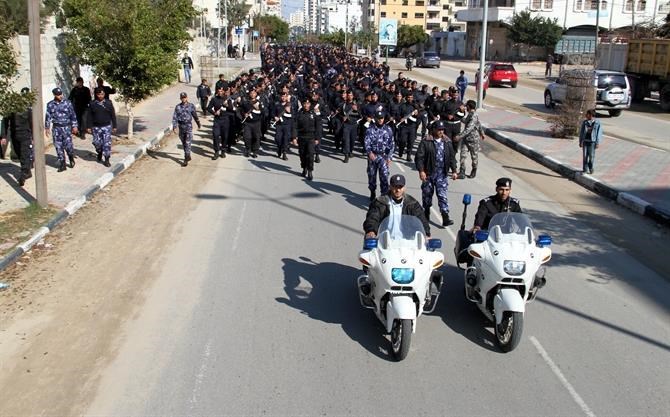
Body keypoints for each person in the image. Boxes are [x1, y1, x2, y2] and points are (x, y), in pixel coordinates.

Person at [414, 121, 458, 227]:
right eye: (439, 129)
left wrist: (454, 170)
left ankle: (445, 217)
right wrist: (421, 171)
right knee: (427, 195)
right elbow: (419, 157)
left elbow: (452, 157)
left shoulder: (447, 142)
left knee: (442, 196)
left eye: (442, 130)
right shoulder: (426, 141)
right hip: (428, 174)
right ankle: (426, 213)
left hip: (442, 174)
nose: (441, 132)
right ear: (433, 130)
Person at [363, 174, 430, 238]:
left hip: (407, 242)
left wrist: (426, 234)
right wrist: (371, 231)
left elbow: (422, 221)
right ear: (390, 187)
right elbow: (373, 218)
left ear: (404, 188)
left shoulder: (412, 204)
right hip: (384, 241)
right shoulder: (380, 202)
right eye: (395, 186)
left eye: (400, 187)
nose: (398, 190)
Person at [1, 89, 33, 186]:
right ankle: (27, 171)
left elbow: (32, 124)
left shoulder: (28, 110)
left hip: (25, 135)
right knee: (19, 154)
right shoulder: (11, 110)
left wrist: (34, 137)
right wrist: (3, 136)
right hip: (15, 135)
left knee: (24, 155)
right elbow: (4, 123)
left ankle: (23, 174)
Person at [45, 87, 79, 172]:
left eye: (61, 94)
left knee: (68, 146)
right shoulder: (50, 104)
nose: (60, 96)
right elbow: (48, 116)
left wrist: (74, 126)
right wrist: (47, 127)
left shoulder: (68, 103)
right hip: (56, 128)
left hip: (66, 127)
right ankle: (62, 164)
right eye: (58, 95)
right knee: (58, 146)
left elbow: (73, 115)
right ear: (54, 95)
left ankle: (71, 157)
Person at [364, 110, 395, 202]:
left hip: (383, 157)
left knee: (384, 177)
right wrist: (369, 153)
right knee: (372, 176)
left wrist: (389, 157)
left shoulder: (388, 129)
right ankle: (372, 191)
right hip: (373, 156)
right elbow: (367, 142)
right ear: (375, 118)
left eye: (382, 118)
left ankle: (383, 196)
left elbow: (392, 144)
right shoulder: (370, 129)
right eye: (379, 118)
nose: (380, 120)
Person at [86, 87, 117, 167]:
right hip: (96, 127)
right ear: (96, 94)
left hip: (106, 126)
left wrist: (114, 126)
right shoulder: (92, 103)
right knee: (97, 143)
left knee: (106, 143)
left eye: (102, 94)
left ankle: (107, 159)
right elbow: (89, 116)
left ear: (104, 94)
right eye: (99, 94)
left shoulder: (108, 103)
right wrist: (88, 126)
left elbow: (113, 115)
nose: (101, 96)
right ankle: (99, 152)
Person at [455, 100, 484, 179]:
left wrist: (459, 136)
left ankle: (474, 170)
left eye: (466, 106)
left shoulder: (474, 115)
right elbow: (468, 121)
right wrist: (460, 114)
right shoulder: (470, 114)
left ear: (468, 106)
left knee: (474, 156)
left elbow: (469, 129)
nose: (465, 107)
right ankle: (462, 171)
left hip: (473, 140)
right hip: (466, 139)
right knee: (463, 155)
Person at [291, 97, 319, 180]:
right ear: (302, 105)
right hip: (302, 137)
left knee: (310, 154)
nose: (306, 105)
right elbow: (295, 126)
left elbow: (318, 127)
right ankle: (304, 168)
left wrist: (317, 138)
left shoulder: (314, 114)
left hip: (311, 137)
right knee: (302, 154)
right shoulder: (299, 114)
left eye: (308, 104)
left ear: (310, 104)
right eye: (304, 104)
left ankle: (310, 171)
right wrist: (294, 137)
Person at [171, 92, 201, 167]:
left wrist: (198, 123)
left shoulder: (191, 106)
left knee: (188, 142)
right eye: (182, 98)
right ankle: (188, 155)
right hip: (181, 127)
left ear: (187, 98)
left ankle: (186, 158)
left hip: (188, 126)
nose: (183, 99)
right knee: (184, 142)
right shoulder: (178, 107)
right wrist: (174, 127)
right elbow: (175, 117)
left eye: (184, 97)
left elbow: (195, 115)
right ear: (180, 98)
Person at [579, 109, 602, 174]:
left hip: (592, 142)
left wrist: (597, 143)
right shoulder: (585, 122)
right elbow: (581, 132)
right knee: (585, 156)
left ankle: (590, 167)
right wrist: (580, 141)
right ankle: (585, 170)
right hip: (585, 141)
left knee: (591, 156)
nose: (586, 115)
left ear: (591, 115)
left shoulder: (597, 123)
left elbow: (599, 133)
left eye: (587, 114)